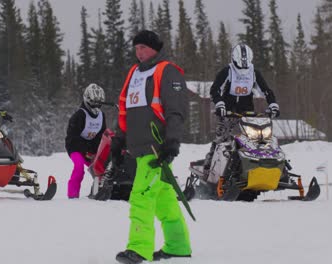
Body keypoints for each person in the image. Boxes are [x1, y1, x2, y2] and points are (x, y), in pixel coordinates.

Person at [115, 30, 191, 263]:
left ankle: (139, 248)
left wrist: (172, 142)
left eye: (144, 48)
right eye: (136, 48)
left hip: (156, 148)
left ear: (155, 49)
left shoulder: (167, 71)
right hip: (139, 147)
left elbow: (176, 111)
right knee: (163, 200)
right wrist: (119, 139)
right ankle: (178, 245)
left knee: (141, 196)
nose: (139, 53)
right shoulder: (134, 73)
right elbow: (124, 109)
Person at [202, 44, 280, 177]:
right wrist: (220, 104)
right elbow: (214, 89)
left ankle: (262, 167)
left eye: (245, 64)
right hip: (227, 112)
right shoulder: (227, 71)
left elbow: (265, 90)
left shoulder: (254, 73)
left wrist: (273, 104)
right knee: (222, 139)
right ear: (234, 59)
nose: (243, 67)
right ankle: (208, 168)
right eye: (240, 64)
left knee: (258, 139)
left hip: (247, 113)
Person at [65, 83, 106, 199]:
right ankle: (72, 196)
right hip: (75, 147)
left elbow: (100, 137)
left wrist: (95, 152)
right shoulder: (79, 115)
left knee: (100, 169)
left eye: (99, 103)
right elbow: (72, 137)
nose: (96, 107)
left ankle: (100, 193)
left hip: (90, 148)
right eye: (94, 103)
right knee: (79, 167)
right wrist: (85, 151)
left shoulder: (102, 116)